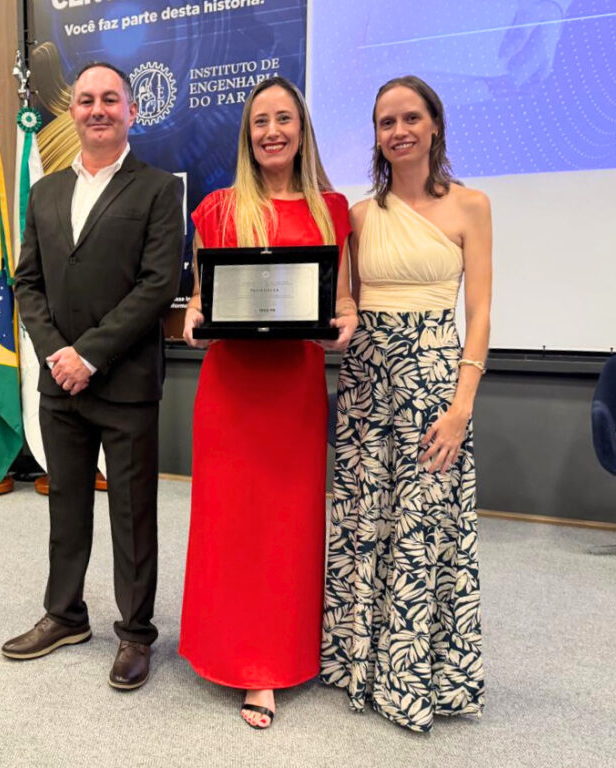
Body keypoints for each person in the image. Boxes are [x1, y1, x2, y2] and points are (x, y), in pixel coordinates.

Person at [180, 76, 357, 729]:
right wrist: (194, 320)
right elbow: (200, 302)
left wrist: (344, 325)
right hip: (230, 392)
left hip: (294, 393)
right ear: (247, 135)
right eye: (261, 121)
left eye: (284, 118)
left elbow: (345, 302)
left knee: (287, 528)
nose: (272, 131)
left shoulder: (332, 210)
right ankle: (222, 650)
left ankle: (271, 665)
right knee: (229, 524)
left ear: (302, 130)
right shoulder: (217, 210)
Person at [320, 75, 492, 732]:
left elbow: (479, 315)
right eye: (386, 122)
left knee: (422, 531)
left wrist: (462, 407)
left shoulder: (471, 206)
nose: (399, 131)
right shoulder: (359, 217)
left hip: (434, 387)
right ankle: (358, 666)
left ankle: (416, 680)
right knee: (366, 521)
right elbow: (347, 304)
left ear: (435, 124)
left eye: (411, 118)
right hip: (367, 383)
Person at [7, 62, 183, 691]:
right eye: (86, 100)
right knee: (67, 505)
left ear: (131, 111)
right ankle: (64, 615)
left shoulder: (158, 189)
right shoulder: (45, 193)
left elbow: (158, 285)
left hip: (125, 382)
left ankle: (135, 632)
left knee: (133, 515)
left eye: (111, 99)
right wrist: (58, 353)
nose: (98, 109)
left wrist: (90, 355)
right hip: (60, 382)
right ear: (73, 111)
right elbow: (27, 283)